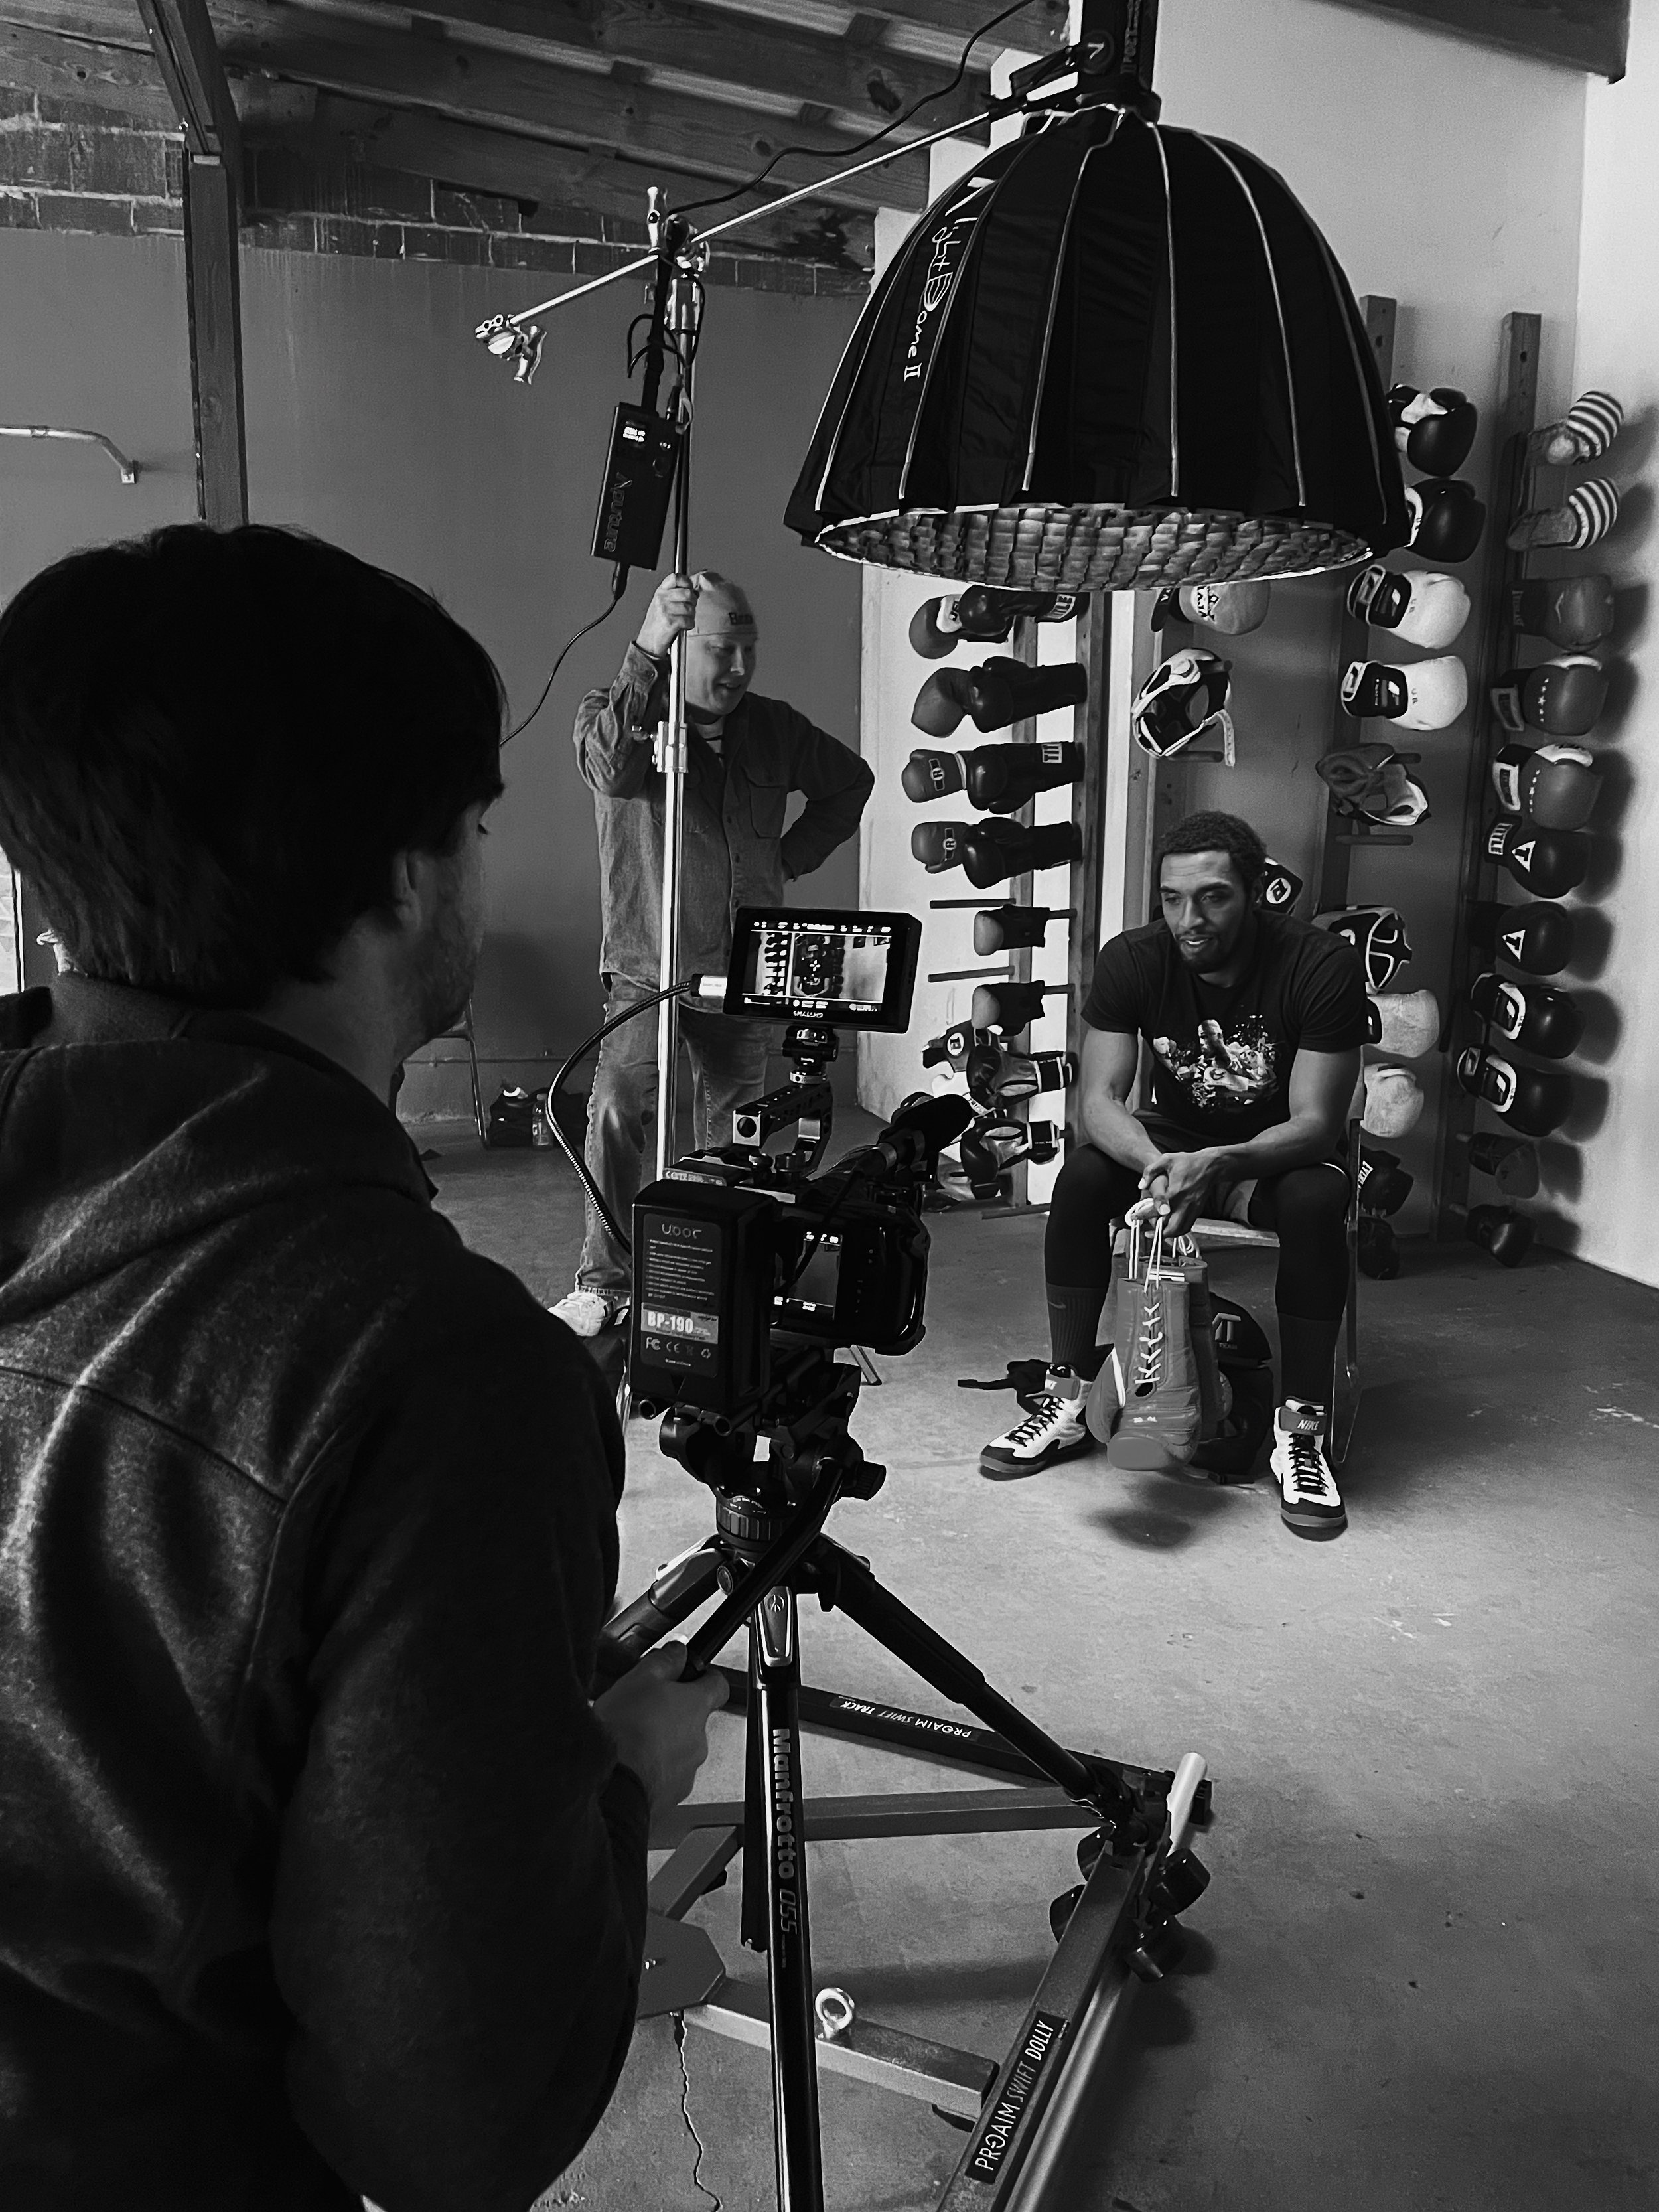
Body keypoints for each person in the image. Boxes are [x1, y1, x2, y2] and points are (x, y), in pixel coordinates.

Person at [0, 524, 727, 2210]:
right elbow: (448, 2125)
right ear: (409, 877)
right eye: (476, 828)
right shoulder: (430, 1373)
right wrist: (610, 1778)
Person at [979, 810, 1366, 1537]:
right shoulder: (1133, 960)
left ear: (1255, 893)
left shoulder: (1318, 966)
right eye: (1172, 898)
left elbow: (1317, 1123)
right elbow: (1098, 1102)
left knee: (1319, 1198)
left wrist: (1220, 1162)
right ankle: (1066, 1396)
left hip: (1271, 1155)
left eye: (1214, 897)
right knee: (1084, 1177)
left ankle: (1301, 1429)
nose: (1191, 918)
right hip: (1173, 1145)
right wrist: (1160, 1165)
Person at [552, 569, 873, 1336]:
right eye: (723, 651)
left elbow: (849, 784)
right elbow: (607, 771)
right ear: (682, 647)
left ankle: (721, 1278)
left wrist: (788, 860)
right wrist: (643, 650)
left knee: (739, 1129)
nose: (738, 669)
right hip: (646, 966)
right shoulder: (619, 717)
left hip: (742, 965)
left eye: (748, 651)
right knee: (615, 1111)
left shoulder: (774, 728)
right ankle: (606, 1283)